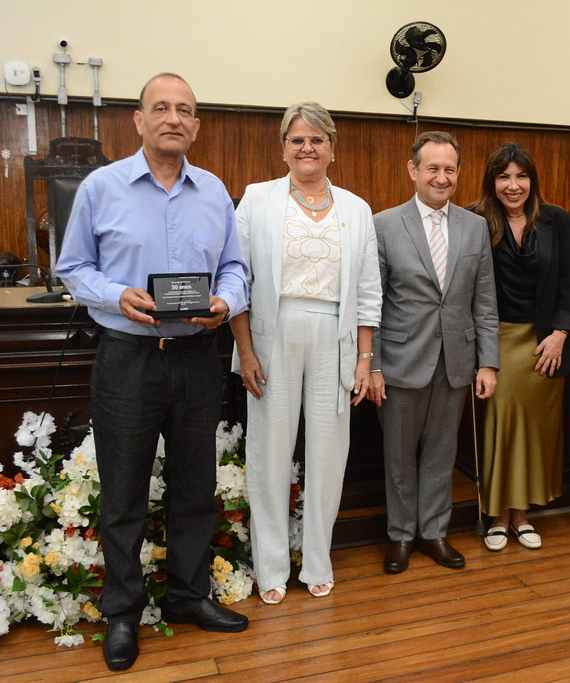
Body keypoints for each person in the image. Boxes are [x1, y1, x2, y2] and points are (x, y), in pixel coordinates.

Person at [56, 73, 250, 671]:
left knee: (195, 490)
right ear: (137, 120)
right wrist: (118, 296)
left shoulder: (215, 191)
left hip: (196, 359)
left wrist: (226, 301)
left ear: (195, 125)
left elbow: (236, 268)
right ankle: (123, 613)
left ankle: (189, 598)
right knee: (124, 494)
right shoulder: (101, 187)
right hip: (128, 359)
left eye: (185, 110)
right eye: (160, 108)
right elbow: (73, 267)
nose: (174, 118)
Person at [230, 102, 381, 604]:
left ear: (332, 148)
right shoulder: (256, 200)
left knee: (328, 457)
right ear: (284, 147)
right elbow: (236, 279)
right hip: (272, 336)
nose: (307, 148)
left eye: (317, 139)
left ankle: (317, 559)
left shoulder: (357, 209)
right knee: (269, 456)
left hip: (333, 339)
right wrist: (246, 351)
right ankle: (270, 568)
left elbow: (367, 291)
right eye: (297, 140)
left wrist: (364, 359)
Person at [369, 131, 499, 573]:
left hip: (456, 361)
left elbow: (485, 302)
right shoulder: (384, 224)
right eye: (432, 168)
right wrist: (374, 366)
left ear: (458, 173)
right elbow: (374, 302)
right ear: (413, 170)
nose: (441, 178)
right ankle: (402, 535)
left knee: (442, 455)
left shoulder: (475, 226)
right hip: (402, 361)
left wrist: (488, 361)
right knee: (399, 457)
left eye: (449, 169)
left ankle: (434, 532)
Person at [469, 142, 570, 551]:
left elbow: (568, 282)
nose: (513, 186)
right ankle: (497, 514)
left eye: (521, 176)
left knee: (536, 431)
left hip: (545, 342)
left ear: (532, 179)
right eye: (503, 177)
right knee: (502, 427)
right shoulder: (475, 219)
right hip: (496, 340)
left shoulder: (555, 219)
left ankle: (523, 515)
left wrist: (560, 334)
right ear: (491, 181)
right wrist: (483, 353)